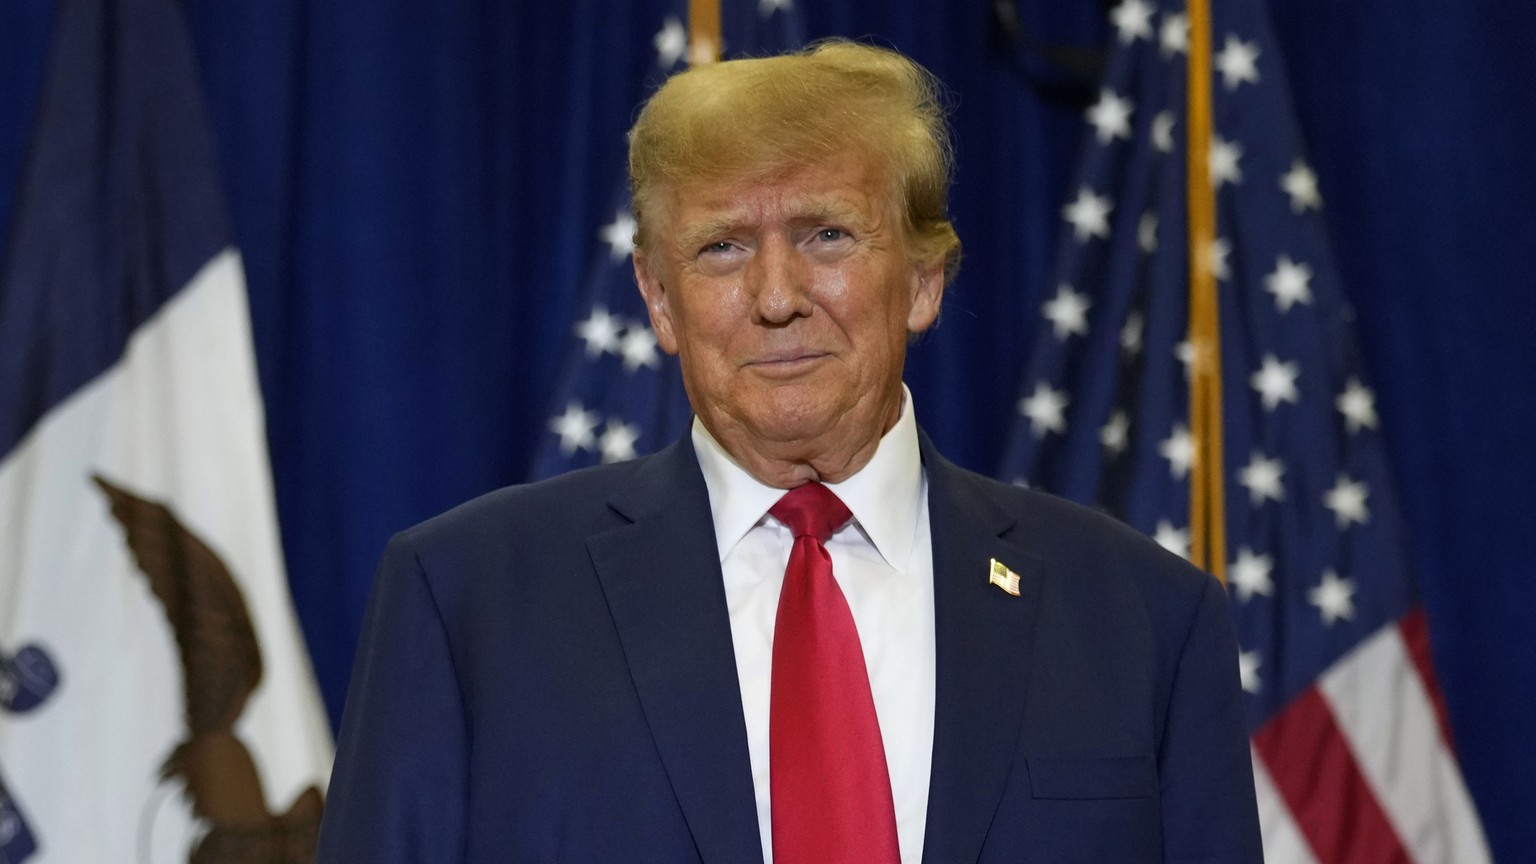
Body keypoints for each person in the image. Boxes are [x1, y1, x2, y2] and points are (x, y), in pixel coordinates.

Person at [316, 40, 1262, 864]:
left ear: (925, 279)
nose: (777, 295)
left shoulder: (1143, 620)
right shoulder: (469, 601)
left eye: (827, 235)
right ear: (656, 299)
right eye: (722, 248)